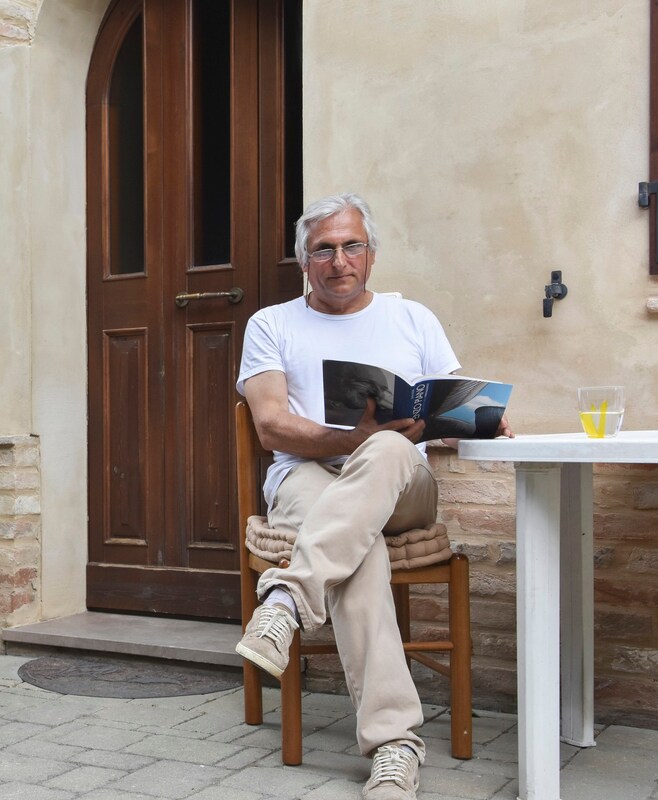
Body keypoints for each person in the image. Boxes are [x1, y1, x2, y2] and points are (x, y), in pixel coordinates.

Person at [233, 193, 511, 800]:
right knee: (361, 558)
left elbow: (450, 403)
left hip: (400, 484)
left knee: (385, 450)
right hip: (307, 477)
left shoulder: (412, 318)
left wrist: (481, 420)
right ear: (304, 261)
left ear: (372, 254)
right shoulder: (272, 324)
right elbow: (271, 426)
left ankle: (286, 598)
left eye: (351, 245)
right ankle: (395, 746)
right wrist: (346, 437)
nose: (339, 260)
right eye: (323, 249)